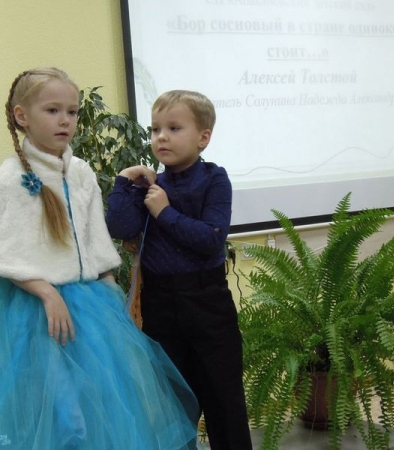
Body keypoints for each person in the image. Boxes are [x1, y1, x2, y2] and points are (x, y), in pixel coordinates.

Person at [0, 69, 200, 449]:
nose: (65, 120)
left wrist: (112, 302)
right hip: (29, 311)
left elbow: (94, 243)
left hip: (88, 307)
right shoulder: (10, 178)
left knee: (96, 410)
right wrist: (47, 294)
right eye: (52, 110)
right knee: (48, 410)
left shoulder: (81, 172)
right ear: (22, 116)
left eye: (72, 112)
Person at [106, 90, 253, 450]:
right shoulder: (151, 185)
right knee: (171, 407)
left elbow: (211, 239)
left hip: (207, 305)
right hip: (160, 306)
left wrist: (164, 213)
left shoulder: (214, 180)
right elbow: (120, 227)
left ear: (203, 136)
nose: (161, 137)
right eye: (155, 129)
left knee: (224, 402)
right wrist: (124, 181)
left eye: (174, 128)